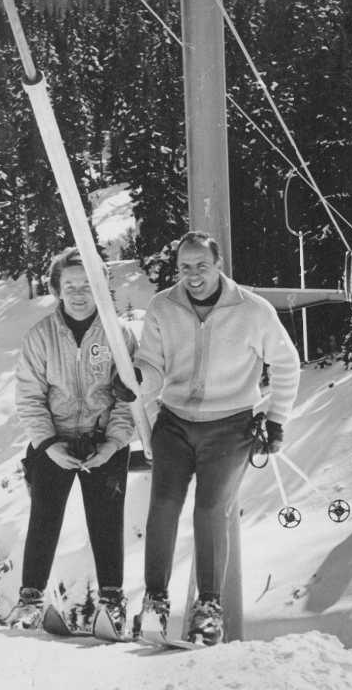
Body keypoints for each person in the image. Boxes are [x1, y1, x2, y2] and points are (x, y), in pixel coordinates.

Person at [128, 232, 300, 644]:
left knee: (210, 509)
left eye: (201, 266)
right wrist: (137, 381)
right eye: (185, 267)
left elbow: (287, 363)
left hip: (229, 425)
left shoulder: (251, 310)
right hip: (174, 421)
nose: (193, 276)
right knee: (164, 504)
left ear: (218, 265)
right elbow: (151, 365)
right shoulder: (163, 307)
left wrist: (275, 420)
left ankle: (208, 609)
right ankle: (154, 602)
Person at [8, 249, 135, 635]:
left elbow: (130, 396)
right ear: (57, 290)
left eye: (86, 285)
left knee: (107, 521)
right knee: (44, 517)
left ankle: (112, 605)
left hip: (103, 441)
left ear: (100, 287)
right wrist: (48, 444)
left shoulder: (118, 334)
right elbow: (28, 396)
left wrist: (113, 443)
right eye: (70, 286)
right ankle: (29, 604)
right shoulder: (41, 336)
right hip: (55, 440)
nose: (78, 294)